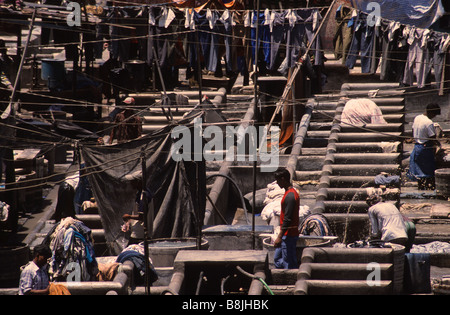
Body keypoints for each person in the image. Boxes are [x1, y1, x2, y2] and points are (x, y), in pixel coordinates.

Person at [408, 103, 441, 190]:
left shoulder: (417, 117)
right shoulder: (429, 122)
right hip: (425, 148)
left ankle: (421, 188)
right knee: (428, 172)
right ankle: (429, 190)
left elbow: (413, 130)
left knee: (420, 172)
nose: (434, 117)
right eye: (434, 114)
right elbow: (432, 137)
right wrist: (439, 145)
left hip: (417, 147)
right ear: (431, 113)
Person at [273, 167, 300, 269]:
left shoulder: (290, 196)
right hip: (286, 234)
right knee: (277, 259)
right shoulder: (289, 193)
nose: (277, 183)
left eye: (278, 180)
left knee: (289, 263)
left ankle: (290, 281)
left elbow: (287, 218)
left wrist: (279, 236)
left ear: (283, 179)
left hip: (289, 235)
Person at [121, 170, 154, 245]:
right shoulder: (140, 193)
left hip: (140, 234)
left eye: (133, 181)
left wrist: (128, 216)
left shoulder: (144, 195)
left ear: (138, 182)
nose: (131, 183)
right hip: (138, 232)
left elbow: (142, 216)